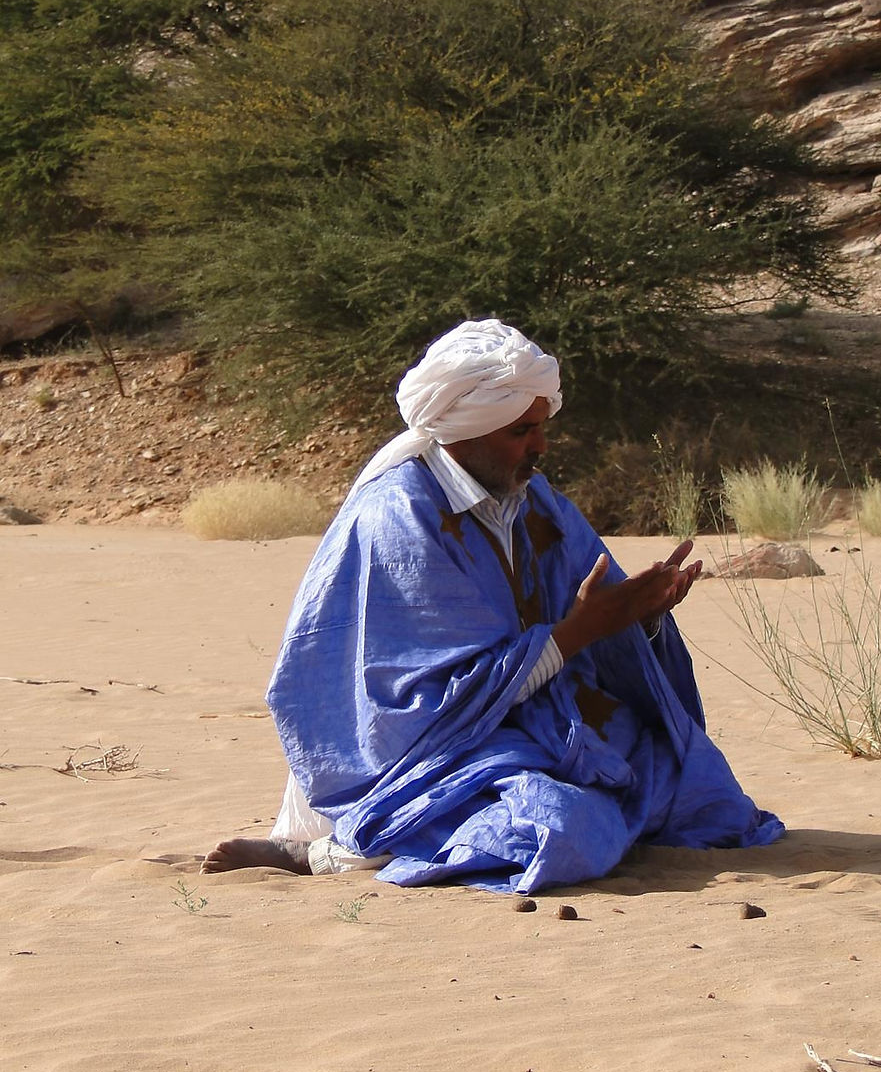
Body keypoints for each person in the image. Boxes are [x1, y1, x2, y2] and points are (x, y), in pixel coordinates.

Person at [203, 320, 784, 890]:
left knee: (705, 795)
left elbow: (599, 608)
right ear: (466, 429)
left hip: (542, 719)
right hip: (427, 752)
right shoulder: (400, 518)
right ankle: (329, 853)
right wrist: (577, 634)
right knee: (556, 827)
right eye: (519, 431)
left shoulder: (537, 504)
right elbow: (420, 700)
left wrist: (644, 617)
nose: (539, 446)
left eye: (539, 428)